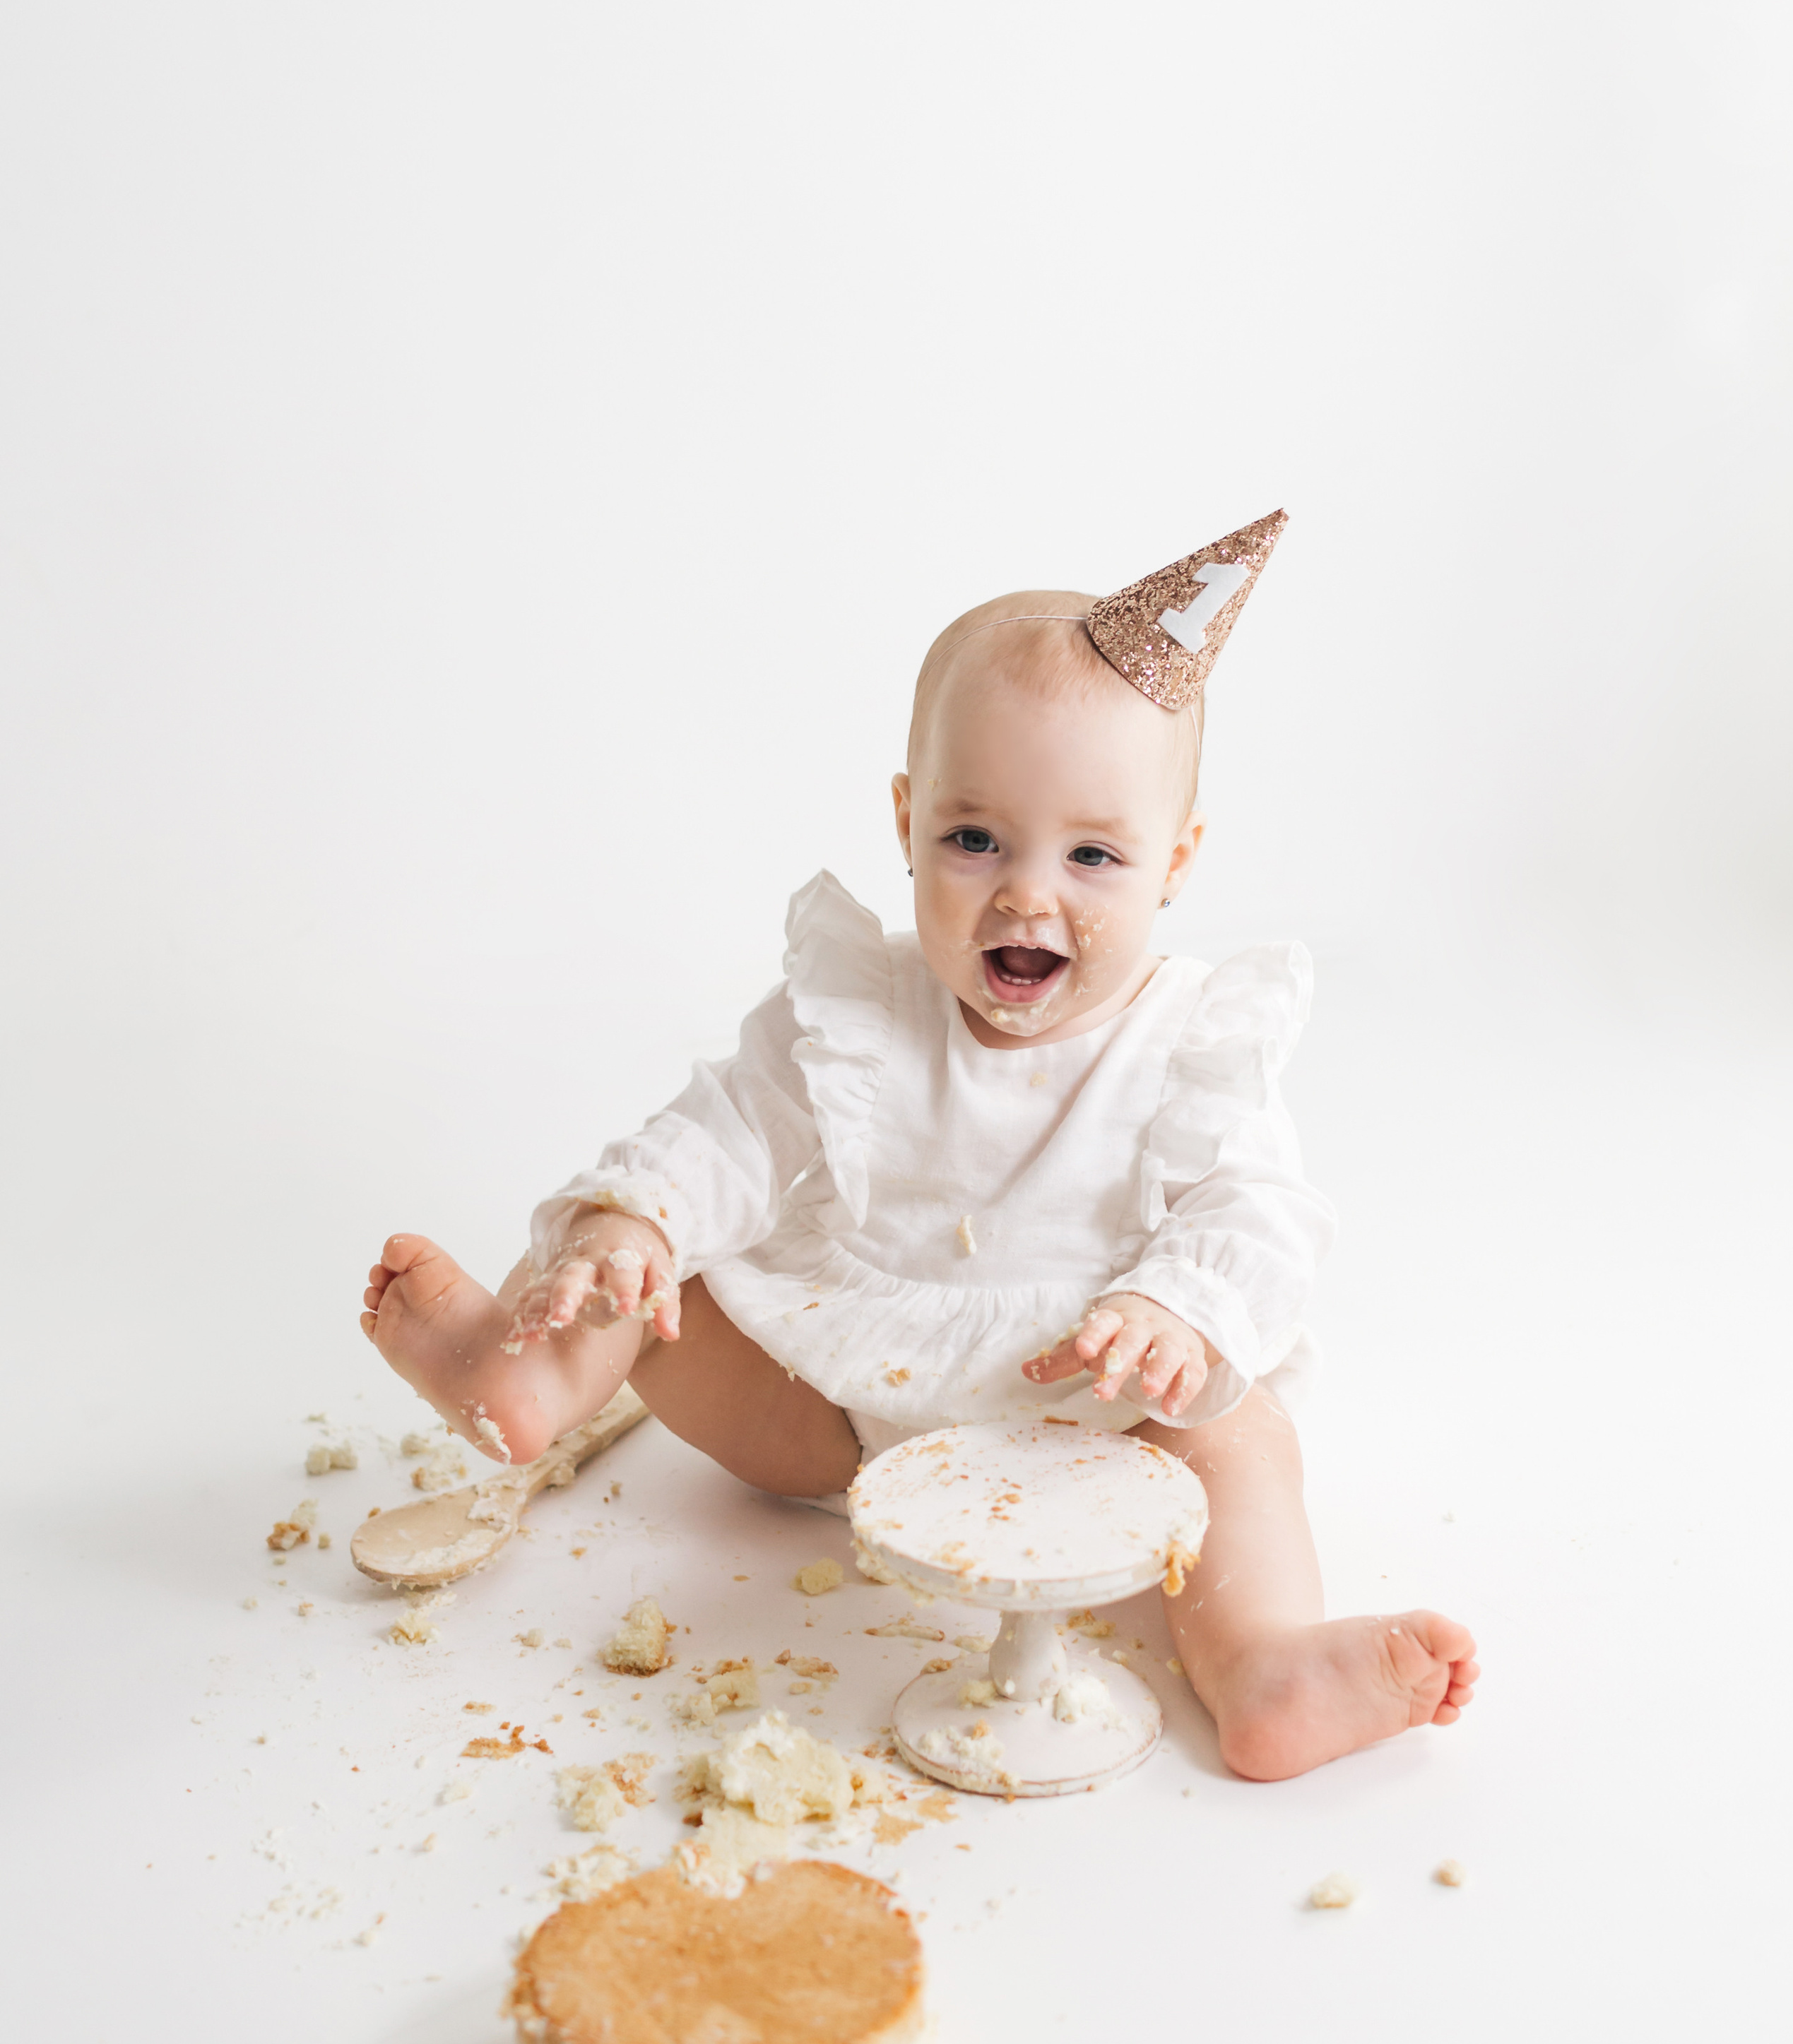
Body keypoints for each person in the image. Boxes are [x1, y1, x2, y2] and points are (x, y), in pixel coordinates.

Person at [361, 511, 1478, 1779]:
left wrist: (1181, 1312)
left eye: (1094, 855)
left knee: (1236, 1441)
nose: (1026, 893)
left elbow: (1261, 1213)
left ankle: (1261, 1661)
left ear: (1178, 861)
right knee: (652, 1275)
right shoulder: (859, 1011)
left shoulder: (1193, 1042)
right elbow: (732, 1126)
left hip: (1101, 1423)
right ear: (906, 823)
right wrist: (638, 1223)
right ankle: (528, 1378)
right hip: (845, 1416)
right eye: (974, 840)